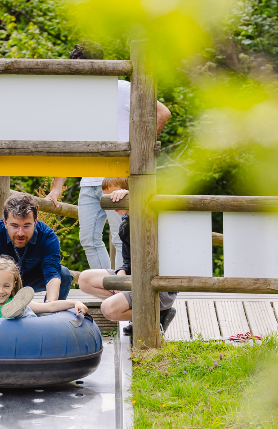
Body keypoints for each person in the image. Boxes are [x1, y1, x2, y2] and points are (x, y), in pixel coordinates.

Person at [43, 41, 172, 270]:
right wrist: (56, 188)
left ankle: (126, 289)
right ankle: (108, 287)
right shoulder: (76, 100)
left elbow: (162, 112)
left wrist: (140, 151)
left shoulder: (122, 89)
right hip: (88, 180)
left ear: (100, 66)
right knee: (89, 239)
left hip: (118, 179)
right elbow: (69, 143)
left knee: (120, 238)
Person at [77, 177, 176, 336]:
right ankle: (140, 313)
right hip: (134, 280)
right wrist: (121, 273)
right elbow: (127, 261)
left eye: (116, 196)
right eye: (108, 198)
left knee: (108, 309)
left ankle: (156, 315)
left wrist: (134, 195)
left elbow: (151, 199)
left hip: (158, 287)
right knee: (84, 279)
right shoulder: (125, 225)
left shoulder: (149, 213)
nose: (113, 203)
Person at [0, 194, 74, 301]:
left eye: (26, 226)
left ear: (35, 222)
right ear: (5, 222)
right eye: (14, 226)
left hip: (32, 277)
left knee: (63, 274)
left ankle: (52, 314)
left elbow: (52, 273)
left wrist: (51, 304)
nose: (20, 233)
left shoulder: (48, 236)